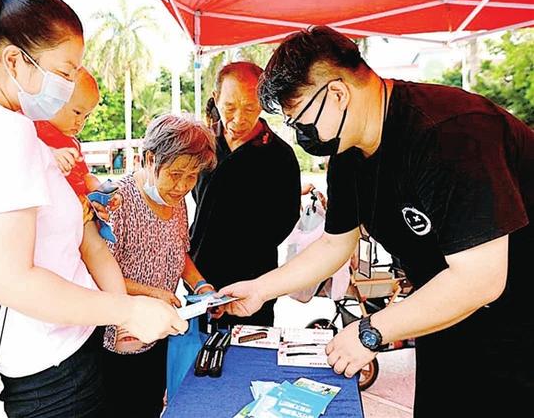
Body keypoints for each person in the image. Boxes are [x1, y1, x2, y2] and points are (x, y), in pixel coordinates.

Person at [220, 26, 533, 416]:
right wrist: (260, 289)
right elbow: (335, 244)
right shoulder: (348, 153)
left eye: (299, 120)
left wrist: (371, 331)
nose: (300, 134)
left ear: (337, 94)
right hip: (441, 308)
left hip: (518, 318)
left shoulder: (450, 133)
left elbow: (480, 279)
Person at [0, 0, 186, 418]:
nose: (68, 86)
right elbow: (9, 279)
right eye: (64, 72)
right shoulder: (6, 130)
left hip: (26, 357)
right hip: (55, 366)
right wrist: (127, 310)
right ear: (14, 60)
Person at [101, 114, 217, 417]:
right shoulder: (116, 200)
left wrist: (201, 286)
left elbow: (178, 251)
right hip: (119, 337)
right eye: (175, 174)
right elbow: (97, 275)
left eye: (192, 176)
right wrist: (153, 293)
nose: (182, 186)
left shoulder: (176, 200)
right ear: (150, 159)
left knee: (152, 405)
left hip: (158, 332)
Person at [190, 62, 302, 328]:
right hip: (200, 280)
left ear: (263, 103)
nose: (239, 118)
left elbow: (285, 219)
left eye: (250, 108)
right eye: (229, 107)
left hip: (254, 283)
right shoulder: (202, 145)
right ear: (216, 99)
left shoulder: (279, 156)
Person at [35, 67, 120, 226]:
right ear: (55, 100)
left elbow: (86, 176)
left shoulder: (73, 143)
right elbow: (28, 152)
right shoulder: (34, 126)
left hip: (81, 210)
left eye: (86, 116)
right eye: (77, 112)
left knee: (97, 238)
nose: (81, 122)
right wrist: (50, 153)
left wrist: (101, 191)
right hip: (52, 212)